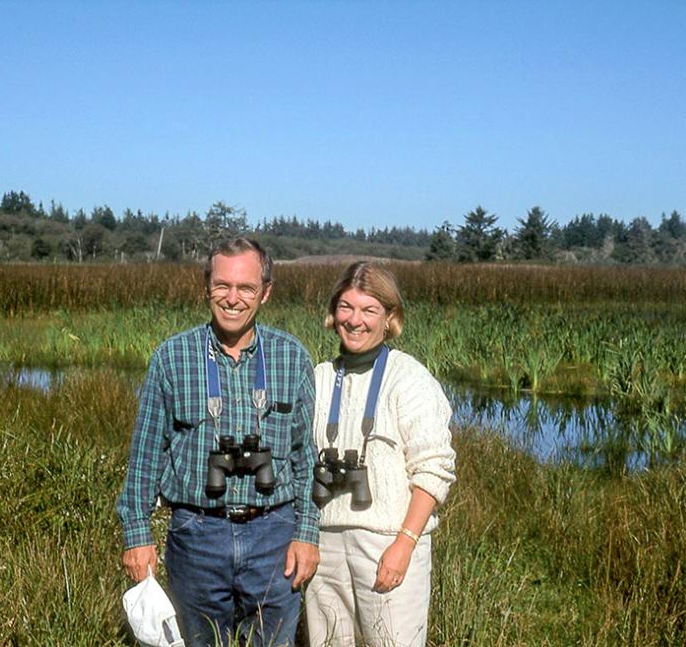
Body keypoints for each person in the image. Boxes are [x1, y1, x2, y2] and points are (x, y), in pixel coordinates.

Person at [117, 237, 320, 647]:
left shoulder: (291, 356)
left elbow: (306, 458)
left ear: (265, 292)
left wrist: (307, 533)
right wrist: (137, 535)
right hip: (197, 534)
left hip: (274, 533)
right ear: (205, 287)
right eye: (222, 285)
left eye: (245, 287)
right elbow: (145, 455)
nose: (232, 298)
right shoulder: (173, 356)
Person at [305, 261, 456, 647]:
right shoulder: (319, 377)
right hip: (324, 545)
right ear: (333, 312)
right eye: (346, 308)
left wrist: (404, 545)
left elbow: (434, 470)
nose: (356, 320)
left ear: (390, 317)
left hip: (388, 543)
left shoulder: (410, 379)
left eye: (369, 310)